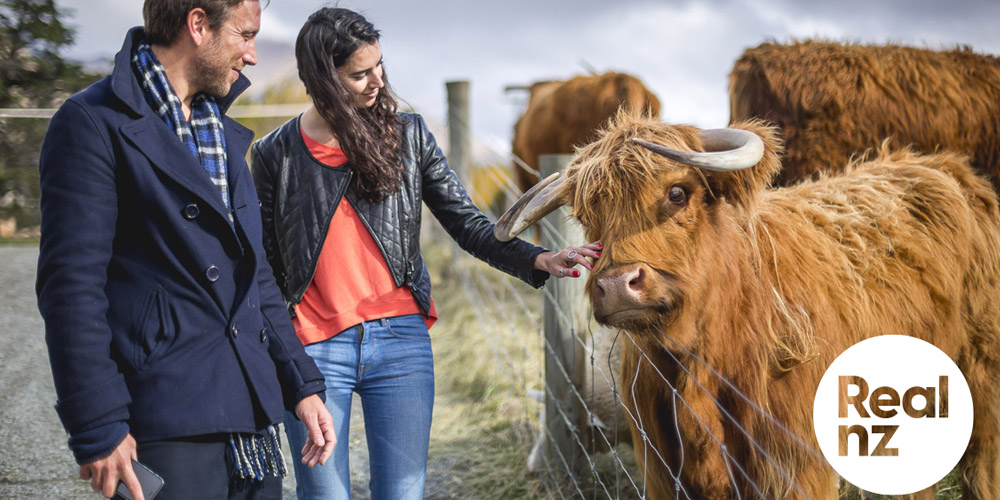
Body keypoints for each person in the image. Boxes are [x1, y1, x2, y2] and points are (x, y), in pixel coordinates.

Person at [250, 7, 600, 500]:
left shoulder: (409, 135)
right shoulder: (274, 154)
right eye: (359, 74)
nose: (377, 81)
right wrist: (280, 354)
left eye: (379, 66)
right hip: (313, 348)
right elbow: (264, 266)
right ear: (323, 79)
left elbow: (466, 221)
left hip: (400, 341)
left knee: (402, 494)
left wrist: (538, 258)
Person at [35, 1, 337, 499]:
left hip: (249, 410)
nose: (254, 55)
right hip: (167, 412)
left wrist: (302, 384)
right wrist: (97, 423)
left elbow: (255, 276)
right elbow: (70, 288)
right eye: (244, 35)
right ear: (198, 25)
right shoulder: (91, 123)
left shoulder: (217, 127)